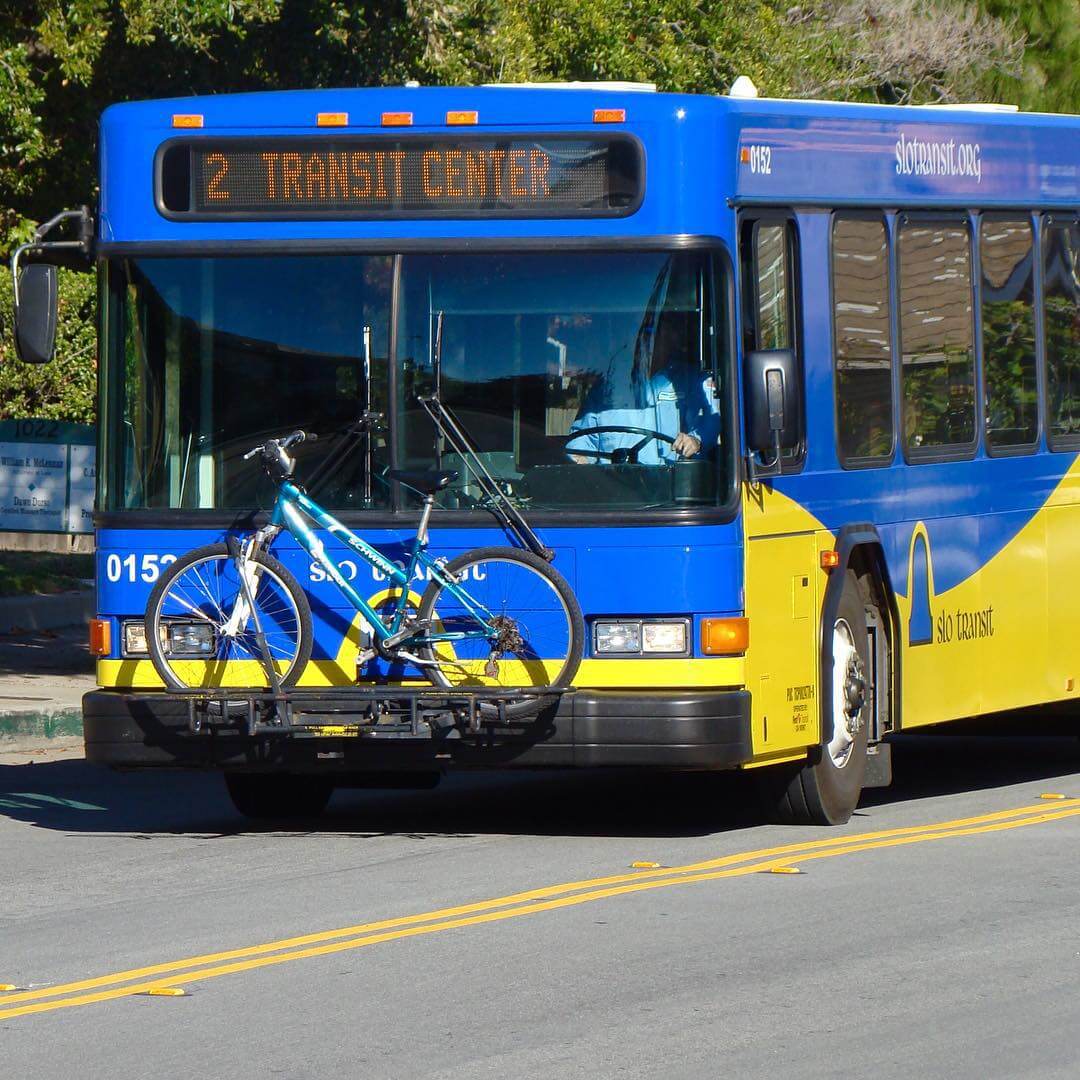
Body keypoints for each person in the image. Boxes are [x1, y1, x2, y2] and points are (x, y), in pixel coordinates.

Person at [566, 309, 719, 464]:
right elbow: (583, 438)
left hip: (670, 482)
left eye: (654, 332)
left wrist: (695, 440)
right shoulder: (609, 384)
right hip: (612, 483)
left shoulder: (691, 381)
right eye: (642, 332)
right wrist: (580, 458)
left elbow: (709, 422)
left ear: (672, 337)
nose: (647, 340)